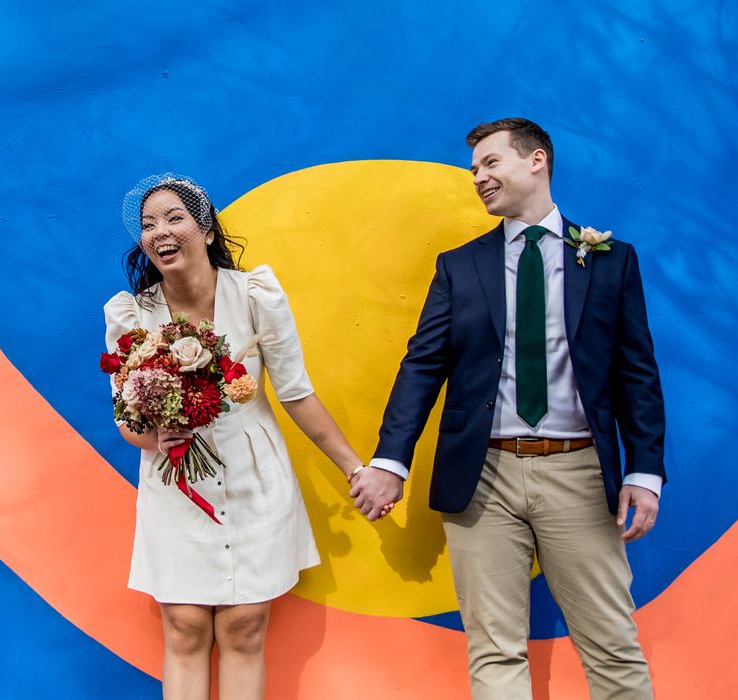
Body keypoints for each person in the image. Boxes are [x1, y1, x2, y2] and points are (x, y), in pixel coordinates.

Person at [351, 118, 665, 699]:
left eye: (491, 163)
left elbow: (636, 373)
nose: (479, 177)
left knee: (614, 649)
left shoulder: (609, 260)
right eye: (474, 169)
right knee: (494, 653)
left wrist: (645, 470)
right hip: (482, 478)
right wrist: (390, 461)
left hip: (580, 474)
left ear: (536, 160)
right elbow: (422, 366)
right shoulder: (459, 266)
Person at [104, 173, 383, 700]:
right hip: (176, 483)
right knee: (184, 625)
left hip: (256, 476)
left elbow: (297, 393)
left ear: (205, 230)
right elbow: (127, 421)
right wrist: (158, 437)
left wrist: (355, 467)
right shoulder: (131, 315)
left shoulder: (256, 294)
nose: (159, 231)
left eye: (173, 217)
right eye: (147, 224)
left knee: (244, 625)